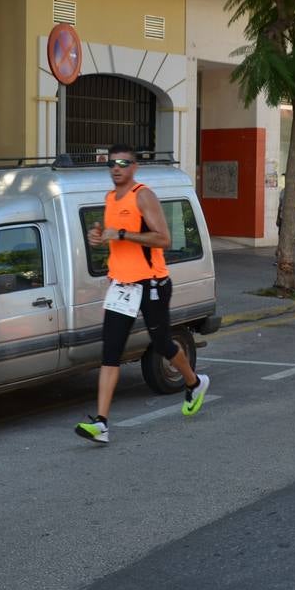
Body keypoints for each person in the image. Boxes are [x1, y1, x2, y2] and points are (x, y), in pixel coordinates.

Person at [77, 145, 209, 444]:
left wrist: (122, 234)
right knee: (110, 352)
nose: (116, 168)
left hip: (152, 283)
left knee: (162, 343)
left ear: (134, 167)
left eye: (123, 163)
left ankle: (194, 382)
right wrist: (99, 238)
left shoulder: (143, 195)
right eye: (111, 164)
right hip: (122, 286)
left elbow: (164, 238)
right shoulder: (110, 199)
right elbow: (113, 239)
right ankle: (101, 423)